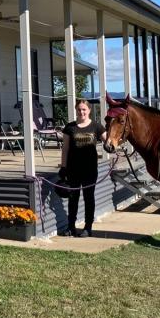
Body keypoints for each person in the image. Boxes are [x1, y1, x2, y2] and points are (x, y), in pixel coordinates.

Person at [59, 99, 106, 237]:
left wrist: (118, 145)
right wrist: (63, 167)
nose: (81, 112)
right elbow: (65, 149)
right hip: (73, 169)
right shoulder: (70, 127)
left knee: (88, 198)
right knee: (73, 198)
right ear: (76, 110)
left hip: (90, 170)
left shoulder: (96, 127)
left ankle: (88, 227)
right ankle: (71, 227)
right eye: (79, 109)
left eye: (84, 109)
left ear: (89, 110)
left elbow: (109, 142)